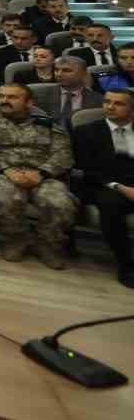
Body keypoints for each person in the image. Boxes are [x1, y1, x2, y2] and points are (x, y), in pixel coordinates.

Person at [0, 82, 76, 267]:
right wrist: (6, 170)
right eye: (2, 96)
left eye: (12, 97)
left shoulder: (48, 125)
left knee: (61, 203)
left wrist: (41, 173)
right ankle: (17, 240)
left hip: (43, 175)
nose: (5, 100)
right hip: (2, 174)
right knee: (8, 198)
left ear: (29, 102)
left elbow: (63, 154)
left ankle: (47, 244)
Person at [71, 88, 134, 288]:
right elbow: (85, 168)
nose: (110, 107)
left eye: (118, 103)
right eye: (107, 102)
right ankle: (126, 264)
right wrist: (121, 187)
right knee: (111, 205)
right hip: (104, 185)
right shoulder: (86, 131)